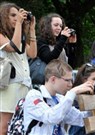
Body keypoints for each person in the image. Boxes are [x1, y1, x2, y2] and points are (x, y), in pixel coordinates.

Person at [23, 59, 94, 135]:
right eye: (67, 80)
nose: (70, 84)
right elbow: (51, 117)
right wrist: (72, 93)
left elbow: (80, 119)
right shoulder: (34, 95)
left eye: (71, 81)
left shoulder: (59, 98)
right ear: (53, 79)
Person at [0, 2, 37, 134]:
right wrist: (20, 24)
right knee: (5, 126)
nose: (17, 18)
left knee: (21, 123)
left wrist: (32, 29)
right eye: (13, 15)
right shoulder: (1, 36)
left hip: (25, 84)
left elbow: (32, 53)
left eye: (18, 15)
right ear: (4, 17)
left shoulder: (18, 36)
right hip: (9, 86)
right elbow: (13, 47)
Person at [68, 63, 95, 135]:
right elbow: (79, 127)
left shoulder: (94, 95)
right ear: (84, 80)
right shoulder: (75, 98)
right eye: (94, 79)